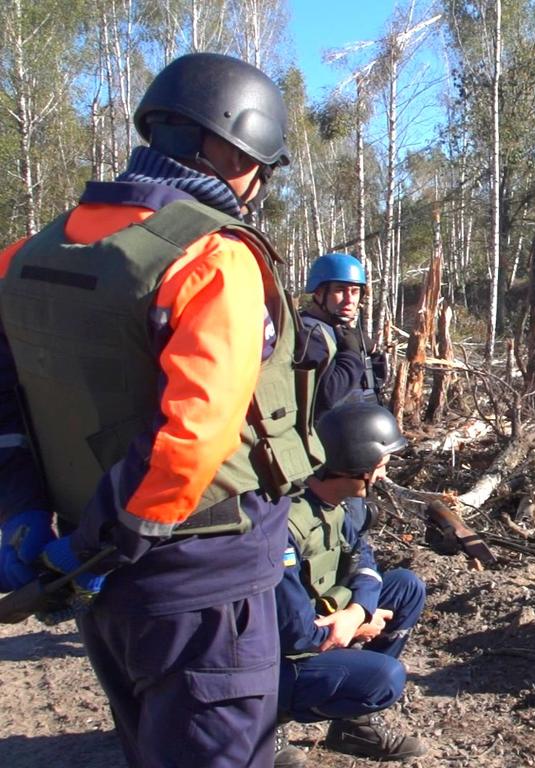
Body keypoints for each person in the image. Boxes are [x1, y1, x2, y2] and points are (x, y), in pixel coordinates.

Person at [0, 53, 320, 767]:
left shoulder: (25, 254)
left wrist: (25, 515)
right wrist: (93, 551)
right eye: (260, 168)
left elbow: (10, 401)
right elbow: (193, 437)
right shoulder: (211, 259)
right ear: (233, 151)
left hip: (102, 581)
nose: (256, 186)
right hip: (201, 583)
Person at [274, 402, 426, 766]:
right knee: (385, 678)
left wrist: (358, 610)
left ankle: (352, 726)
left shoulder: (335, 505)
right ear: (357, 462)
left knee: (406, 587)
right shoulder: (288, 526)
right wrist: (354, 626)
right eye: (381, 463)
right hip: (279, 653)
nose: (384, 473)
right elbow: (293, 633)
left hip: (325, 619)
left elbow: (365, 561)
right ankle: (266, 726)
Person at [299, 252, 388, 415]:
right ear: (318, 292)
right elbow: (328, 394)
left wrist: (374, 353)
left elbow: (372, 385)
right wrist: (351, 354)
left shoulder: (342, 330)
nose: (349, 300)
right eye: (340, 290)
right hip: (327, 436)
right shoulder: (307, 333)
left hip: (361, 429)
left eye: (354, 291)